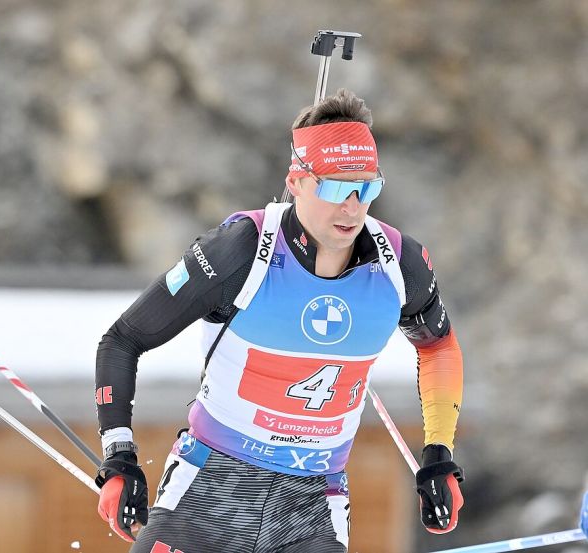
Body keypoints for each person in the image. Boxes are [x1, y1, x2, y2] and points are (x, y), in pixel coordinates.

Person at [93, 89, 465, 552]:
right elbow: (123, 339)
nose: (351, 206)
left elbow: (438, 346)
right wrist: (120, 457)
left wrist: (439, 454)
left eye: (366, 187)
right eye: (334, 186)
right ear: (297, 180)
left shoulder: (399, 265)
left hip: (314, 498)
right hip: (214, 482)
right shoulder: (241, 250)